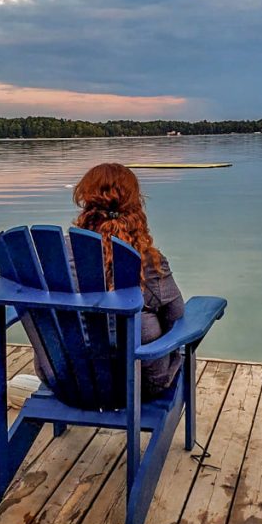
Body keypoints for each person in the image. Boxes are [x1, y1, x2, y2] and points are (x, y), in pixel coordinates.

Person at [71, 162, 185, 399]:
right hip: (142, 385)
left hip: (69, 380)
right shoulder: (149, 264)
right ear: (135, 205)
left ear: (85, 202)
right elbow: (177, 318)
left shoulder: (59, 257)